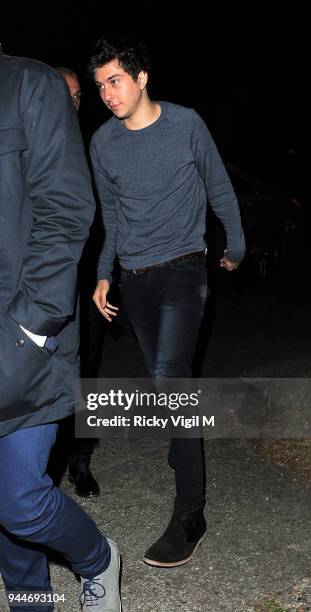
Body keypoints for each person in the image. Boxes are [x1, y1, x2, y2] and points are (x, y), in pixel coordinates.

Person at [89, 33, 246, 569]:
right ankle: (184, 449)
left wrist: (237, 246)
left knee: (170, 379)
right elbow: (110, 218)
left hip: (183, 268)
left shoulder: (186, 124)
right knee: (165, 385)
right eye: (100, 86)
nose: (108, 94)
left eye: (115, 81)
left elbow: (219, 187)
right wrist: (104, 273)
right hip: (134, 279)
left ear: (141, 78)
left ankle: (190, 514)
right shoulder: (102, 144)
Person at [0, 47, 121, 611]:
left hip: (32, 322)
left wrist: (34, 326)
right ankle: (28, 594)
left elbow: (74, 209)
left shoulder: (30, 87)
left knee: (22, 498)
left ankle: (98, 558)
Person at [54, 65, 102, 498]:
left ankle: (79, 461)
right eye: (64, 91)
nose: (73, 100)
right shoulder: (34, 140)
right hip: (44, 284)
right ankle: (43, 466)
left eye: (77, 94)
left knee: (86, 373)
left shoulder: (91, 144)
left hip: (86, 283)